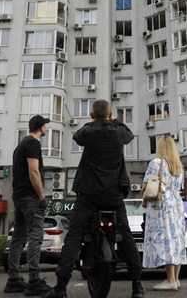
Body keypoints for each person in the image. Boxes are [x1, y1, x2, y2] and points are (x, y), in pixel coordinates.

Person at [45, 100, 144, 298]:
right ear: (110, 114)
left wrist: (95, 121)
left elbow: (77, 136)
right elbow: (129, 133)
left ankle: (61, 287)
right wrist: (111, 120)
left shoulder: (89, 131)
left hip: (88, 195)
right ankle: (137, 286)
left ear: (92, 115)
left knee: (74, 237)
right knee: (125, 236)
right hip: (114, 195)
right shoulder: (118, 132)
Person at [4, 115, 51, 296]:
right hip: (31, 198)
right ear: (40, 127)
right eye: (45, 125)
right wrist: (41, 196)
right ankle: (34, 280)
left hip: (19, 196)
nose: (46, 127)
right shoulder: (33, 143)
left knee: (18, 237)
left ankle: (13, 279)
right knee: (35, 236)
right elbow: (33, 171)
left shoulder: (20, 146)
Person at [142, 136, 187, 291]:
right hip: (177, 205)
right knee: (176, 240)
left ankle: (170, 280)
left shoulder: (156, 163)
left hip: (162, 205)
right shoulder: (179, 166)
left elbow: (147, 185)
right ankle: (176, 279)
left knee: (166, 240)